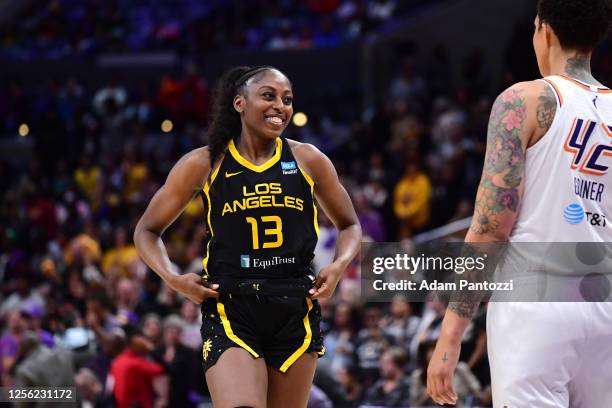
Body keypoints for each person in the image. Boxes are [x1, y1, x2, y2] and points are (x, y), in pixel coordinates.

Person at [134, 65, 362, 408]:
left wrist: (340, 264)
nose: (280, 106)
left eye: (287, 99)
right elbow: (146, 230)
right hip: (231, 307)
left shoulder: (308, 159)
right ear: (239, 103)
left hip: (294, 305)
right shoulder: (205, 163)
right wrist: (173, 278)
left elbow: (350, 225)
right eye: (268, 96)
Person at [427, 0, 612, 406]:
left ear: (544, 30)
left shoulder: (524, 100)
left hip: (536, 306)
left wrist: (450, 336)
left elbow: (491, 227)